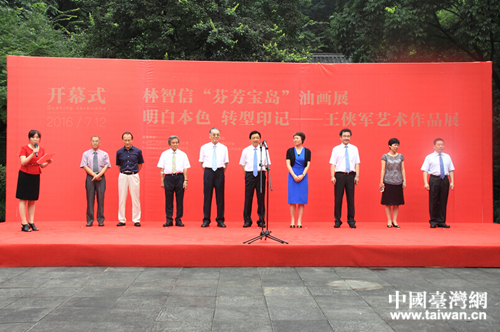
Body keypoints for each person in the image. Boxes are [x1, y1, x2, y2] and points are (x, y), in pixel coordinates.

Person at [16, 130, 53, 232]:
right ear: (29, 138)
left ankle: (31, 222)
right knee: (23, 199)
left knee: (32, 199)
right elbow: (23, 162)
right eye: (33, 137)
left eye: (37, 137)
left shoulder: (41, 149)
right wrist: (33, 153)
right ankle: (24, 223)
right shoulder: (24, 148)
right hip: (25, 174)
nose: (35, 139)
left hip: (35, 174)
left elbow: (42, 165)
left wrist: (48, 162)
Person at [239, 130, 271, 228]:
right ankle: (247, 220)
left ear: (260, 139)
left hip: (261, 174)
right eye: (253, 138)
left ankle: (261, 220)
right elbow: (242, 165)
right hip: (249, 175)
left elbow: (267, 164)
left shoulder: (264, 150)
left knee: (261, 199)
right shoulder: (245, 150)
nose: (255, 139)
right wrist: (248, 175)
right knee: (248, 198)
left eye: (257, 137)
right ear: (250, 139)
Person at [330, 128, 360, 228]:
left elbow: (357, 163)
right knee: (338, 199)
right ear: (340, 137)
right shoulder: (336, 149)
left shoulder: (354, 148)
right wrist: (332, 176)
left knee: (351, 199)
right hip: (339, 175)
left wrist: (357, 176)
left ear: (350, 137)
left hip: (351, 176)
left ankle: (351, 220)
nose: (346, 138)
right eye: (344, 136)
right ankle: (337, 220)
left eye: (348, 136)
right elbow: (333, 164)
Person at [421, 138, 455, 228]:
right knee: (433, 201)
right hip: (434, 179)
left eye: (442, 145)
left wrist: (452, 182)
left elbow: (451, 170)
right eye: (439, 145)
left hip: (445, 180)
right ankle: (433, 221)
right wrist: (425, 182)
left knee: (443, 200)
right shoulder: (429, 157)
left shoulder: (447, 156)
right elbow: (425, 170)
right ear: (434, 146)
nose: (441, 146)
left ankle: (441, 221)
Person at [157, 135, 190, 227]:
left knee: (180, 200)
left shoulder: (183, 154)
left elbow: (185, 168)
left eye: (176, 143)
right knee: (169, 200)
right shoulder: (164, 154)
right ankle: (169, 219)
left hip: (179, 177)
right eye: (173, 143)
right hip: (168, 178)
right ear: (169, 144)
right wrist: (162, 180)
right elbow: (161, 168)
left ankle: (178, 219)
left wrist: (185, 180)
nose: (175, 144)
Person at [199, 127, 229, 228]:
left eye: (217, 135)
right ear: (209, 135)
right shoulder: (204, 147)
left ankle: (220, 220)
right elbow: (201, 162)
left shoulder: (224, 148)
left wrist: (219, 172)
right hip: (208, 172)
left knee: (220, 197)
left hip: (219, 172)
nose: (215, 136)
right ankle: (206, 220)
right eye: (213, 134)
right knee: (207, 197)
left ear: (220, 136)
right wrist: (209, 171)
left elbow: (226, 163)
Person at [80, 136, 111, 227]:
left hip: (101, 177)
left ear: (100, 143)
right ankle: (89, 220)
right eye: (93, 141)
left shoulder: (104, 154)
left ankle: (100, 220)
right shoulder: (86, 154)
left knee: (100, 199)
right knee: (90, 199)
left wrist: (99, 175)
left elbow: (106, 165)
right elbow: (84, 165)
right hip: (90, 177)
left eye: (97, 141)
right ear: (90, 143)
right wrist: (94, 175)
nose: (95, 143)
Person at [116, 132, 144, 227]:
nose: (127, 142)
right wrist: (125, 172)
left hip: (134, 175)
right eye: (125, 140)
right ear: (122, 140)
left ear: (132, 140)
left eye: (129, 140)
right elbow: (119, 165)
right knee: (122, 197)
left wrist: (133, 172)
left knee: (135, 198)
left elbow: (140, 165)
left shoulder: (137, 151)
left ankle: (136, 219)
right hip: (123, 175)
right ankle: (122, 219)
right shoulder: (119, 152)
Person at [379, 138, 406, 228]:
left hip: (398, 181)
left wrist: (404, 180)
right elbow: (383, 169)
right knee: (388, 202)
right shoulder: (385, 156)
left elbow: (402, 169)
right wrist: (381, 181)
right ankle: (389, 220)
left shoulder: (401, 156)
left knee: (396, 203)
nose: (396, 147)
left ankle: (395, 220)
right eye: (394, 145)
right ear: (389, 146)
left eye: (397, 145)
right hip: (388, 181)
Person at [286, 132, 311, 228]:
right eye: (294, 138)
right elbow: (288, 164)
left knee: (301, 199)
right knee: (292, 199)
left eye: (297, 138)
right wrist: (294, 175)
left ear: (302, 140)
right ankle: (292, 220)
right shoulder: (290, 151)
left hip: (303, 176)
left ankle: (299, 220)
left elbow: (308, 164)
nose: (295, 140)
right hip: (292, 175)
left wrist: (302, 175)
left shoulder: (307, 151)